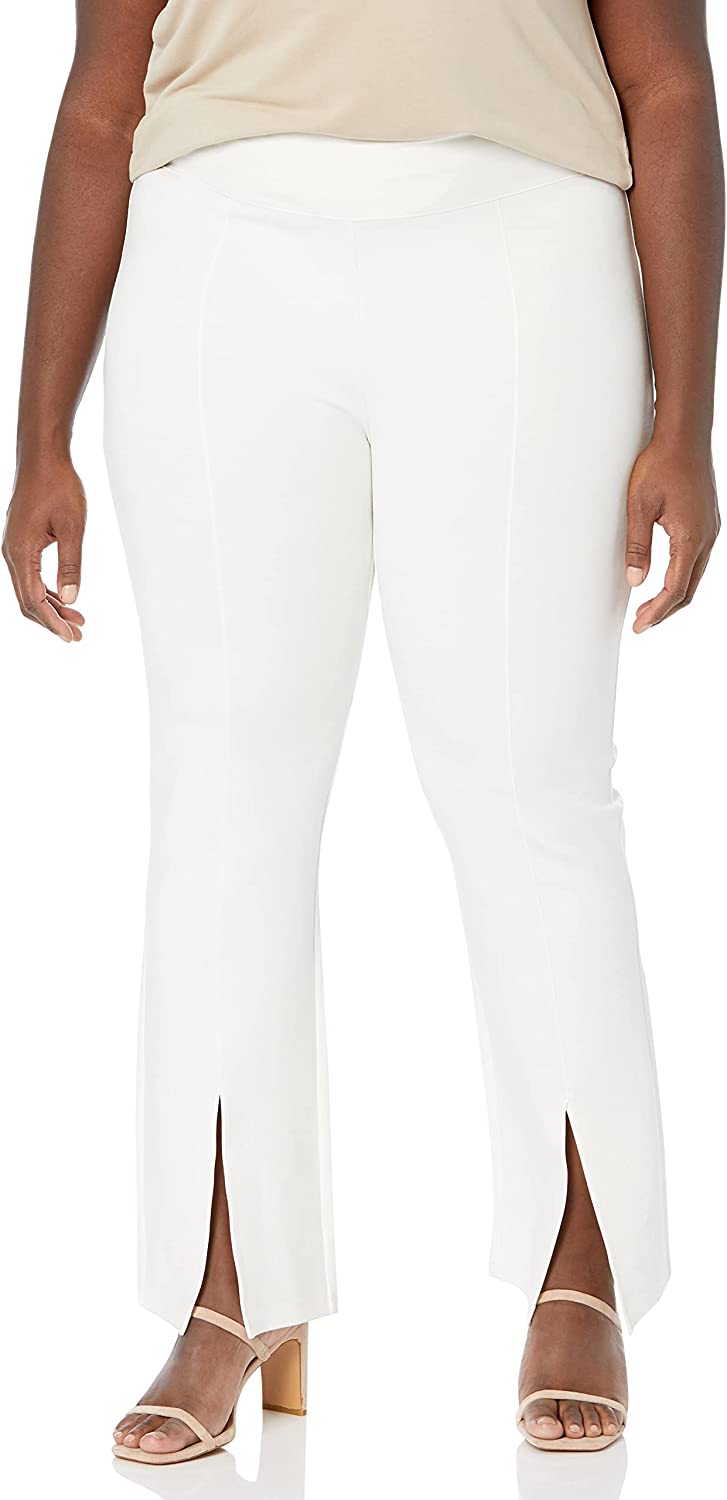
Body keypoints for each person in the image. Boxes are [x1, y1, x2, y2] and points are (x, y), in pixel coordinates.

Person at [3, 0, 722, 1462]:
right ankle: (228, 1283)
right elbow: (100, 98)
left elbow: (666, 83)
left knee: (531, 781)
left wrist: (687, 423)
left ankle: (579, 1262)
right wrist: (38, 441)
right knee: (222, 791)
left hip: (523, 243)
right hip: (221, 255)